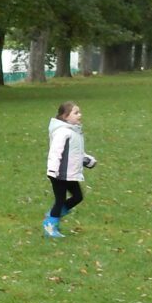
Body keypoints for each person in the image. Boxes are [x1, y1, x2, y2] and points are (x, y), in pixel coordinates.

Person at [43, 101, 97, 238]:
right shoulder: (62, 132)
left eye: (79, 112)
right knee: (60, 200)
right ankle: (50, 226)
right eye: (76, 113)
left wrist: (88, 160)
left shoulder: (75, 131)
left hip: (70, 173)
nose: (80, 115)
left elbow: (76, 152)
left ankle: (53, 214)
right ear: (65, 116)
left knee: (78, 197)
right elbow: (55, 152)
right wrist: (53, 171)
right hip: (59, 174)